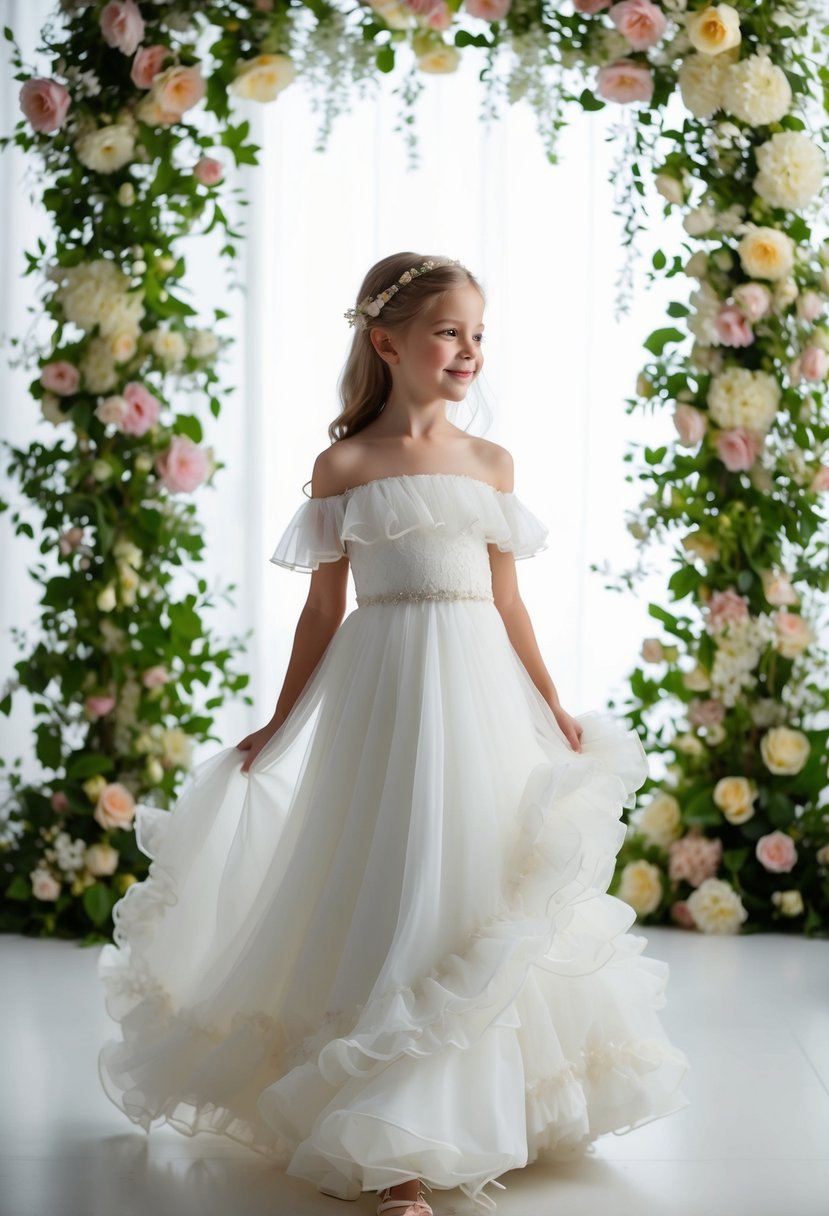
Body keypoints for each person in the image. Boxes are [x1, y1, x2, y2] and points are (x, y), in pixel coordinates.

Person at [98, 252, 689, 1216]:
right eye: (449, 331)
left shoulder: (491, 464)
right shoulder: (346, 464)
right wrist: (283, 721)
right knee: (389, 877)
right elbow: (322, 613)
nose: (468, 351)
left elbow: (508, 602)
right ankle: (389, 1147)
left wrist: (550, 705)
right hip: (383, 694)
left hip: (478, 693)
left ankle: (475, 1106)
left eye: (477, 334)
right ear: (388, 342)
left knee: (474, 882)